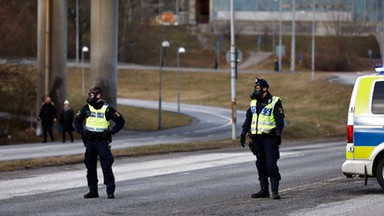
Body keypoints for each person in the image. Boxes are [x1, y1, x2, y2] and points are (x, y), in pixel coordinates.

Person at [74, 87, 125, 199]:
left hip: (102, 141)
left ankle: (110, 191)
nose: (90, 97)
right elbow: (77, 120)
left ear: (98, 96)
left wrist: (112, 131)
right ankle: (93, 190)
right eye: (89, 95)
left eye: (92, 95)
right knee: (90, 167)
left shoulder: (107, 109)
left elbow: (121, 121)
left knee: (106, 167)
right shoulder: (86, 108)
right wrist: (81, 131)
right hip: (90, 141)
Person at [240, 78, 285, 200]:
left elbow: (280, 121)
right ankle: (264, 190)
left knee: (271, 164)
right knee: (260, 164)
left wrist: (277, 135)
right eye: (255, 88)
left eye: (258, 88)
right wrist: (243, 132)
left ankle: (274, 190)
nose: (256, 90)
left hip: (269, 138)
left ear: (265, 88)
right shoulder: (253, 102)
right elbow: (249, 119)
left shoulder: (274, 102)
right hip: (256, 139)